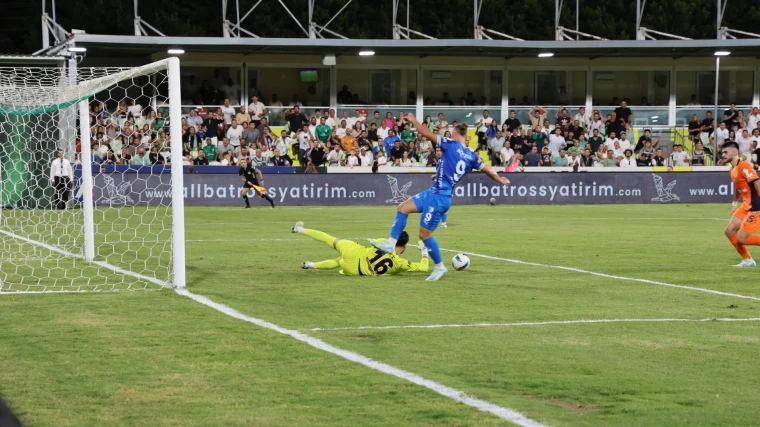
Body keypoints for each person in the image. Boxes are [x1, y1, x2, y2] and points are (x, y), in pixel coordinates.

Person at [371, 114, 510, 281]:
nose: (449, 134)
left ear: (458, 134)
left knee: (424, 235)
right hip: (434, 192)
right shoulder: (472, 156)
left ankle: (439, 266)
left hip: (439, 198)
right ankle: (391, 243)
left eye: (451, 131)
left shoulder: (451, 145)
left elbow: (426, 132)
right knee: (402, 208)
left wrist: (414, 121)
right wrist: (500, 180)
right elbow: (489, 170)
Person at [292, 223, 429, 276]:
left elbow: (375, 242)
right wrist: (424, 251)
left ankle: (299, 229)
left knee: (329, 239)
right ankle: (309, 265)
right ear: (405, 246)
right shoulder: (401, 264)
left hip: (354, 252)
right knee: (339, 262)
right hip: (353, 270)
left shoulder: (385, 242)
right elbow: (424, 268)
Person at [723, 141, 760, 267]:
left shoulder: (744, 166)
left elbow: (757, 184)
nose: (723, 154)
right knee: (729, 231)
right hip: (745, 206)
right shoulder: (731, 170)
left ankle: (748, 260)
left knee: (742, 239)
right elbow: (739, 188)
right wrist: (734, 203)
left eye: (725, 152)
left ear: (734, 152)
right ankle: (748, 260)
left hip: (755, 206)